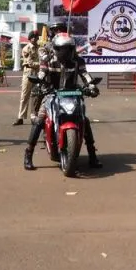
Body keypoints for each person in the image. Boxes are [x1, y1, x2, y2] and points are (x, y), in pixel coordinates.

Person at [23, 34, 101, 171]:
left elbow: (85, 75)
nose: (65, 52)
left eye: (68, 49)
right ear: (55, 49)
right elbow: (42, 74)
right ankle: (28, 154)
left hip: (73, 95)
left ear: (73, 49)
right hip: (52, 94)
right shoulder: (47, 60)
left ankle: (92, 155)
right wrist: (39, 83)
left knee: (84, 120)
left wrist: (92, 87)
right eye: (61, 49)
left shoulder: (79, 61)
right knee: (40, 120)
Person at [13, 31, 40, 126]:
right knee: (25, 96)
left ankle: (34, 116)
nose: (36, 38)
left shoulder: (40, 48)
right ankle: (20, 117)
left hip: (38, 73)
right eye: (33, 37)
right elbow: (30, 63)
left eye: (36, 36)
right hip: (29, 73)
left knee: (37, 96)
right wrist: (41, 64)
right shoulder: (26, 48)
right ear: (30, 38)